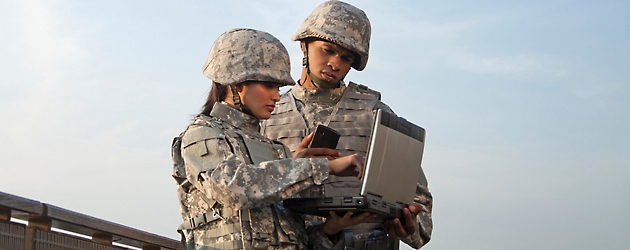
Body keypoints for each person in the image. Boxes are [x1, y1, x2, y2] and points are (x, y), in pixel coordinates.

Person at [172, 28, 375, 250]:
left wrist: (331, 229)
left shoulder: (274, 150)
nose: (277, 96)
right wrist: (321, 167)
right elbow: (235, 189)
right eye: (269, 85)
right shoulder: (201, 136)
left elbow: (293, 240)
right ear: (237, 83)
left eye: (278, 87)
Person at [260, 1, 433, 249]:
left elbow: (421, 210)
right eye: (327, 50)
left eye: (346, 57)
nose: (335, 64)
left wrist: (409, 226)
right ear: (304, 45)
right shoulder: (269, 114)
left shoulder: (374, 115)